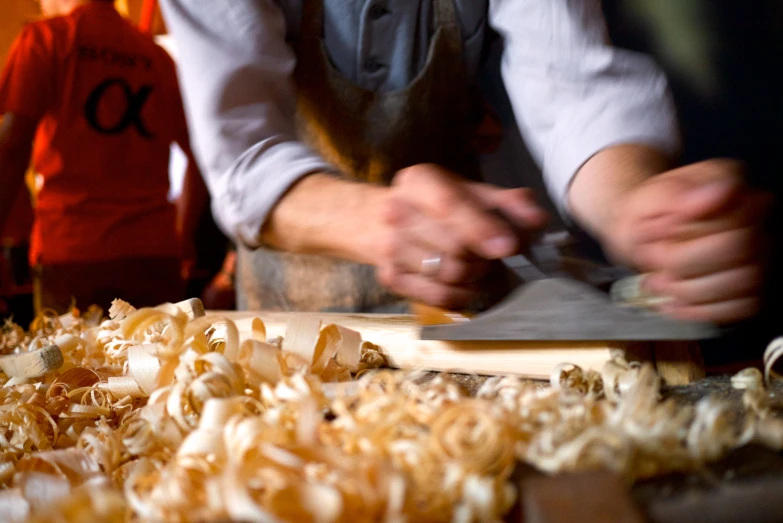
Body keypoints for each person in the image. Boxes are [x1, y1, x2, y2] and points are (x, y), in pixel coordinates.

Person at [159, 0, 770, 324]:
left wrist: (638, 209)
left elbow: (572, 86)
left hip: (469, 304)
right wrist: (382, 222)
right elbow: (245, 157)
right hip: (295, 321)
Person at [0, 0, 205, 314]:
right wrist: (183, 236)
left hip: (73, 253)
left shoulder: (48, 38)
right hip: (155, 253)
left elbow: (12, 145)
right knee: (163, 360)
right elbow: (200, 156)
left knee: (76, 362)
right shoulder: (157, 56)